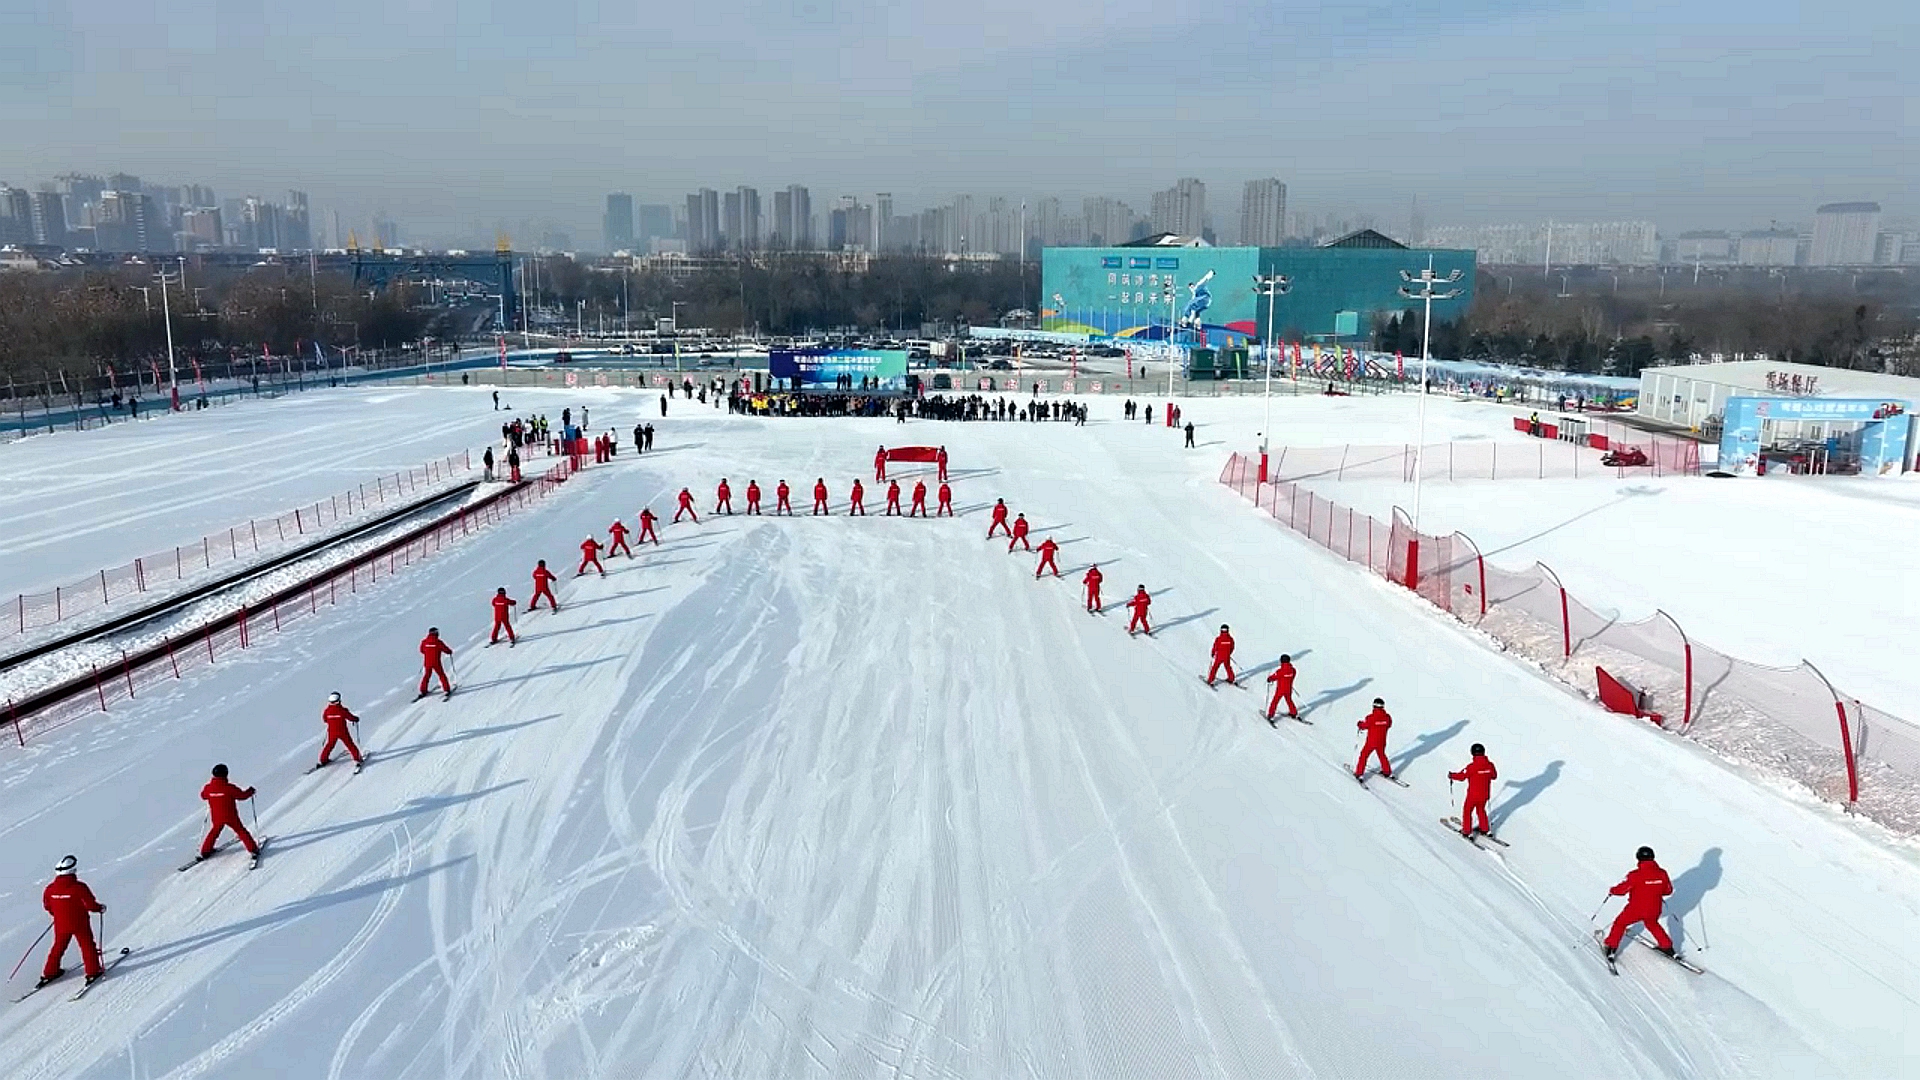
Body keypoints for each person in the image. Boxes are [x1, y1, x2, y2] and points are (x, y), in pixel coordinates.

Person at [38, 856, 106, 987]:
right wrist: (100, 908)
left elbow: (47, 906)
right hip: (79, 923)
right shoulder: (79, 887)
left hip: (60, 924)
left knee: (58, 947)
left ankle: (49, 972)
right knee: (87, 946)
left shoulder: (50, 889)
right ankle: (93, 971)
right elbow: (91, 905)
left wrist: (58, 915)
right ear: (72, 871)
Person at [1602, 847, 1676, 959]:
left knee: (1620, 923)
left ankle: (1611, 947)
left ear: (1638, 858)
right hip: (1654, 908)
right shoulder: (1662, 873)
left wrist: (1613, 890)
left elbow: (1622, 890)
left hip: (1636, 909)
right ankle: (1667, 947)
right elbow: (1668, 890)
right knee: (1652, 923)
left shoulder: (1635, 875)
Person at [198, 764, 260, 859]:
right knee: (241, 831)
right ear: (226, 774)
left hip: (216, 816)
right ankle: (253, 849)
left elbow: (203, 796)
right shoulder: (229, 788)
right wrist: (250, 791)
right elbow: (242, 796)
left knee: (214, 831)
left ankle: (205, 851)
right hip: (231, 816)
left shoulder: (208, 788)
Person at [1448, 744, 1498, 837]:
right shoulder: (1490, 765)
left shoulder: (1472, 767)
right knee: (1481, 810)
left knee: (1467, 811)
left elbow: (1462, 776)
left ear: (1473, 753)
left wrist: (1452, 775)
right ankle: (1485, 829)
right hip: (1485, 795)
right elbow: (1494, 776)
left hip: (1473, 795)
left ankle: (1467, 831)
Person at [321, 691, 365, 766]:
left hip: (332, 731)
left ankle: (323, 759)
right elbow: (350, 717)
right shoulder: (342, 710)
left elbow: (325, 720)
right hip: (342, 732)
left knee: (330, 745)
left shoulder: (327, 711)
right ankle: (358, 758)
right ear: (338, 701)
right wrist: (356, 719)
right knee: (349, 744)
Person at [1355, 698, 1394, 781]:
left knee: (1364, 755)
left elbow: (1364, 726)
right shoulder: (1387, 718)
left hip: (1371, 742)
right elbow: (1389, 725)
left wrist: (1359, 724)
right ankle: (1387, 772)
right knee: (1382, 755)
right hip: (1382, 741)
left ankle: (1359, 774)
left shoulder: (1371, 718)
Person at [418, 631, 453, 698]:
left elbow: (422, 650)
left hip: (427, 662)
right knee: (441, 675)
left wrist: (428, 652)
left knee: (426, 676)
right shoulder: (438, 642)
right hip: (436, 663)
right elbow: (445, 649)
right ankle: (446, 689)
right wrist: (449, 652)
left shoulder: (424, 642)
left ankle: (423, 690)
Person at [1265, 654, 1298, 722]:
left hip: (1280, 689)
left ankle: (1271, 715)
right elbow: (1293, 676)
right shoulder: (1293, 670)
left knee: (1275, 701)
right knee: (1289, 700)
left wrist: (1269, 679)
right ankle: (1293, 713)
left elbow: (1274, 677)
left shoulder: (1280, 671)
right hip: (1288, 688)